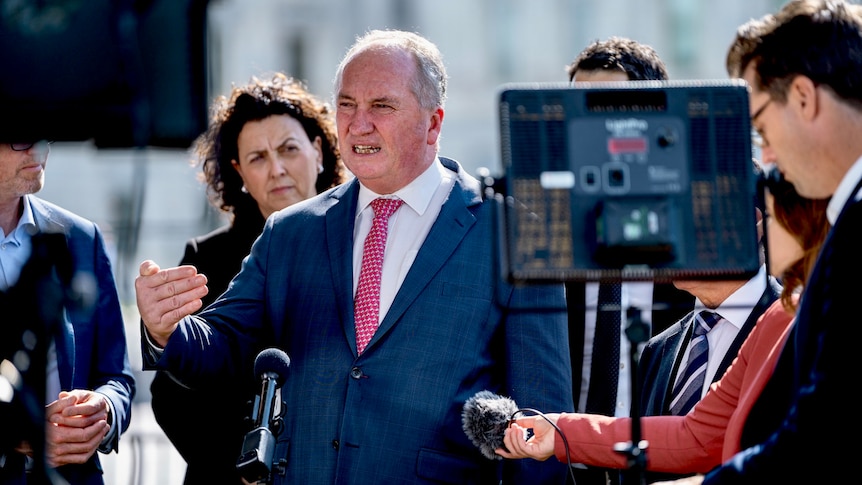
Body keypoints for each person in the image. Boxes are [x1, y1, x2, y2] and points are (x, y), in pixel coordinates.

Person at [135, 29, 574, 484]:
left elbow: (540, 422)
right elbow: (222, 342)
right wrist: (167, 330)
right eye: (347, 104)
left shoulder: (515, 234)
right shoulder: (291, 231)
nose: (358, 124)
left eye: (381, 106)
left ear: (434, 123)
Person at [495, 170, 831, 482]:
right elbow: (689, 439)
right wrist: (561, 432)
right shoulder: (659, 349)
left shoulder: (799, 323)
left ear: (753, 223)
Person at [149, 72, 346, 484]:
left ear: (319, 151)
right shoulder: (206, 257)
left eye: (289, 149)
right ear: (239, 172)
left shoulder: (364, 239)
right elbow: (171, 399)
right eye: (257, 158)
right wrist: (245, 467)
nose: (276, 169)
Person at [564, 37, 695, 485]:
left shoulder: (698, 229)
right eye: (581, 109)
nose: (594, 128)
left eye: (611, 109)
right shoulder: (546, 228)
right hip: (563, 465)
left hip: (669, 465)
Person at [0, 140, 135, 484]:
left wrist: (101, 410)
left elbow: (117, 377)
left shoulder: (80, 236)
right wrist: (14, 431)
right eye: (20, 138)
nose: (39, 149)